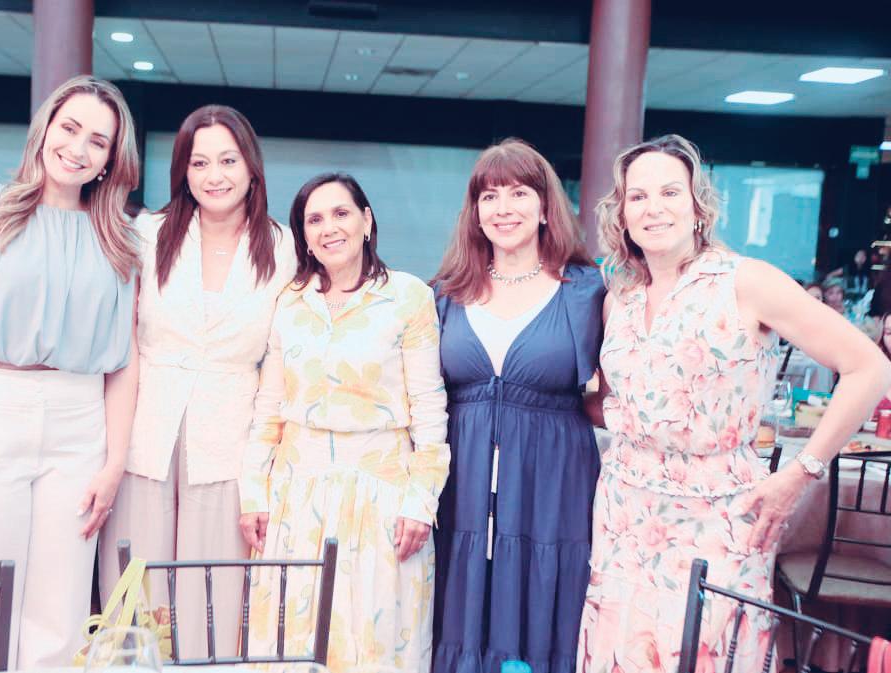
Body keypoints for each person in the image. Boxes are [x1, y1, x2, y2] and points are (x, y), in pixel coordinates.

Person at [576, 134, 890, 673]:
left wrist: (803, 472)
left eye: (670, 193)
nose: (654, 208)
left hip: (717, 513)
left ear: (698, 206)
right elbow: (612, 404)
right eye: (638, 196)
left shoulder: (747, 281)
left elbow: (870, 368)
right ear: (622, 214)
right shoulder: (619, 299)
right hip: (623, 509)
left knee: (705, 649)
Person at [0, 76, 140, 671]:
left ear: (110, 160)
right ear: (45, 129)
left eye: (98, 141)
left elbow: (124, 362)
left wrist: (114, 462)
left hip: (80, 421)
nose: (78, 148)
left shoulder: (120, 239)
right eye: (70, 128)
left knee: (60, 614)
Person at [99, 104, 296, 658]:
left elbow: (280, 360)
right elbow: (122, 340)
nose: (215, 176)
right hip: (146, 427)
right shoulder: (148, 233)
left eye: (228, 160)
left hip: (230, 435)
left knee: (214, 591)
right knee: (136, 586)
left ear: (251, 167)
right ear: (182, 171)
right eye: (199, 162)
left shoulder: (282, 246)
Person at [239, 173, 449, 673]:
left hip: (382, 499)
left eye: (341, 213)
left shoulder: (408, 297)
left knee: (373, 644)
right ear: (304, 236)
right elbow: (269, 407)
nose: (329, 227)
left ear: (366, 221)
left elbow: (429, 408)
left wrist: (421, 502)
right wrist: (253, 494)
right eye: (314, 219)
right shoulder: (291, 302)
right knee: (292, 642)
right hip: (296, 498)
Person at [430, 138, 603, 673]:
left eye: (519, 193)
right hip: (462, 484)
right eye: (490, 196)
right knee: (460, 608)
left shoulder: (586, 292)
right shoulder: (446, 293)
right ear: (475, 212)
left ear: (546, 207)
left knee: (542, 605)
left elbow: (614, 389)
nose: (503, 208)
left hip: (552, 482)